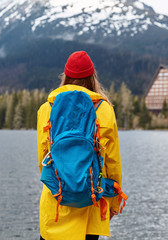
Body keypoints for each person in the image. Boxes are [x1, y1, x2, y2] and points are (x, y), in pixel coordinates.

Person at [37, 51, 123, 240]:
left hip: (56, 206)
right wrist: (114, 204)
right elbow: (112, 163)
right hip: (91, 206)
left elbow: (43, 161)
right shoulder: (104, 110)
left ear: (65, 77)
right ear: (93, 78)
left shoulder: (46, 109)